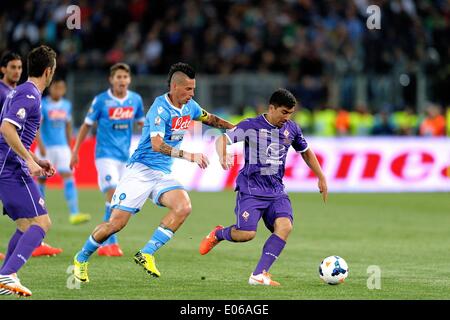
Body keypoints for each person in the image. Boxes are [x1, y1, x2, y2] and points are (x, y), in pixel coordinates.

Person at [72, 62, 234, 282]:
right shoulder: (159, 108)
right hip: (140, 170)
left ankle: (146, 253)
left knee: (183, 206)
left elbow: (212, 119)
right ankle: (81, 258)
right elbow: (157, 145)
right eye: (188, 89)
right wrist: (190, 155)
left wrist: (238, 128)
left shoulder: (190, 107)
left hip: (161, 174)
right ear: (175, 87)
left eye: (193, 89)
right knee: (116, 224)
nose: (192, 93)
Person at [199, 88, 328, 286]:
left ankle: (258, 274)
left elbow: (306, 151)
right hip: (251, 189)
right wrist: (223, 154)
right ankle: (218, 234)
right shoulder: (251, 125)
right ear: (272, 108)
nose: (287, 117)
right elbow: (222, 139)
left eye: (290, 113)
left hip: (276, 191)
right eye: (284, 112)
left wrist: (321, 177)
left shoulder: (292, 129)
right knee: (246, 234)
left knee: (285, 226)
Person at [70, 63, 145, 257]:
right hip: (105, 156)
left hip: (125, 157)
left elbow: (141, 124)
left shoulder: (135, 100)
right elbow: (86, 126)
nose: (122, 80)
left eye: (125, 77)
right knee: (112, 195)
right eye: (118, 77)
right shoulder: (101, 101)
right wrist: (75, 150)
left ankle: (102, 239)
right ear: (111, 80)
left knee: (120, 199)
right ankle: (110, 243)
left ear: (129, 80)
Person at [0, 45, 57, 297]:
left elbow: (18, 136)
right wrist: (28, 161)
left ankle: (4, 277)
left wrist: (36, 159)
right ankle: (7, 274)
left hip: (9, 164)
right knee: (42, 223)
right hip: (10, 168)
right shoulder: (29, 95)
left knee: (25, 225)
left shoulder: (20, 92)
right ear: (48, 71)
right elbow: (6, 129)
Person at [36, 77, 91, 225]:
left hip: (62, 147)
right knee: (41, 178)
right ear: (51, 88)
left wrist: (70, 146)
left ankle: (74, 213)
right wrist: (40, 144)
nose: (58, 91)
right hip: (46, 147)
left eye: (61, 88)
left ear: (64, 90)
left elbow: (67, 126)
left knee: (68, 176)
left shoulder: (66, 105)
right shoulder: (43, 104)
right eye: (56, 87)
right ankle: (39, 213)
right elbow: (37, 126)